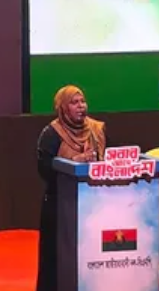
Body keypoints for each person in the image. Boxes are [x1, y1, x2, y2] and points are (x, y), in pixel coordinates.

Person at [36, 86, 108, 291]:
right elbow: (44, 169)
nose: (81, 106)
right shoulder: (51, 134)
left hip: (94, 204)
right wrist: (73, 162)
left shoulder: (97, 130)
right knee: (55, 259)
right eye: (74, 103)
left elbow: (109, 159)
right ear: (62, 108)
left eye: (82, 101)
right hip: (60, 205)